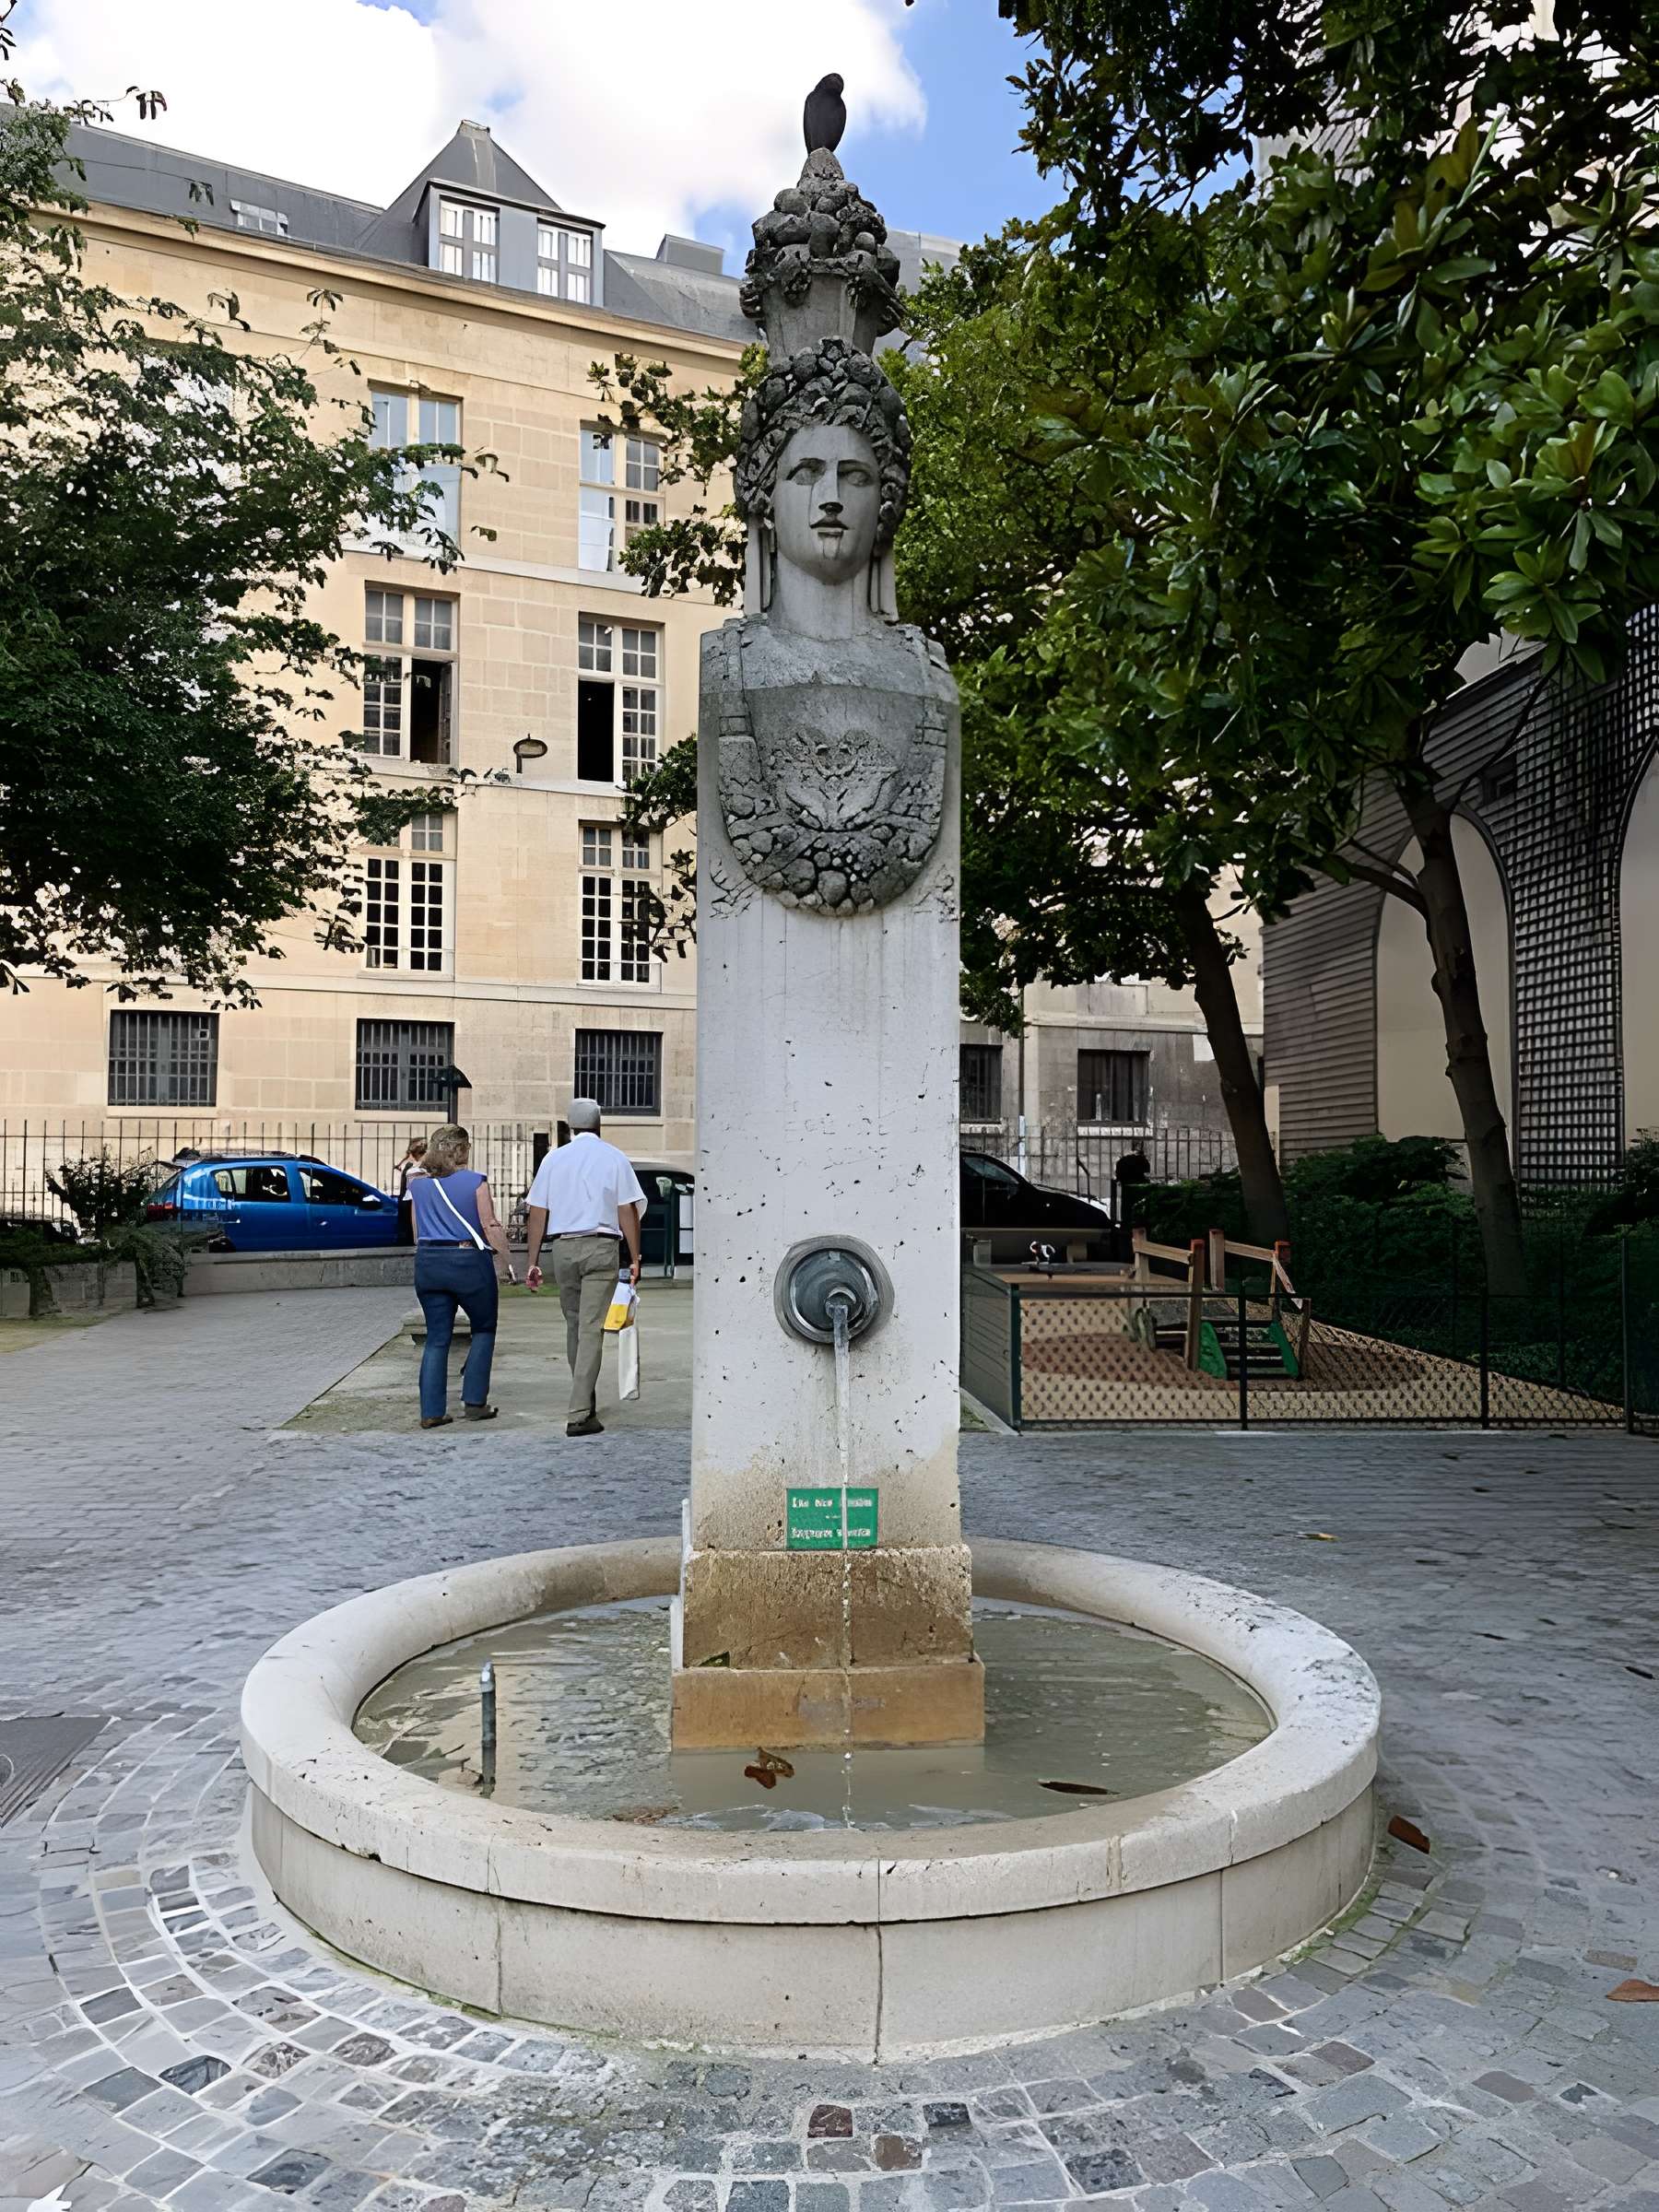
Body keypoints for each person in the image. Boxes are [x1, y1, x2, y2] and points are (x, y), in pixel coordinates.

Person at [524, 1098, 644, 1437]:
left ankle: (585, 1398)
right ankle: (579, 1412)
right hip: (601, 1246)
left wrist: (532, 1261)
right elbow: (627, 1211)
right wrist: (634, 1257)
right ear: (599, 1123)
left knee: (575, 1325)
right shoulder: (614, 1158)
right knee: (591, 1328)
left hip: (563, 1247)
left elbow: (537, 1212)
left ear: (570, 1125)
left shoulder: (553, 1158)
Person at [409, 1124, 511, 1430]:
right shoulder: (475, 1182)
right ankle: (475, 1402)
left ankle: (431, 1411)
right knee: (484, 1328)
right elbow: (489, 1224)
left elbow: (417, 1234)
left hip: (428, 1262)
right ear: (462, 1150)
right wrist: (507, 1262)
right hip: (468, 1263)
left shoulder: (417, 1185)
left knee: (436, 1338)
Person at [394, 1135, 429, 1245]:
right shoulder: (419, 1167)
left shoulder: (409, 1165)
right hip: (412, 1201)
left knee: (406, 1229)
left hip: (405, 1199)